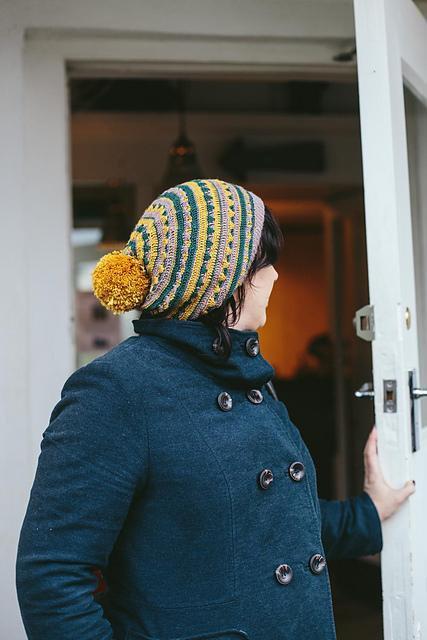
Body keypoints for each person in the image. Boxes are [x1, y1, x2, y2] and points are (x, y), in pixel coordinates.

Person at [15, 178, 415, 640]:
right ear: (219, 277)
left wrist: (368, 514)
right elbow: (52, 577)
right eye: (263, 262)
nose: (274, 276)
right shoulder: (116, 389)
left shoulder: (244, 374)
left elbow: (266, 521)